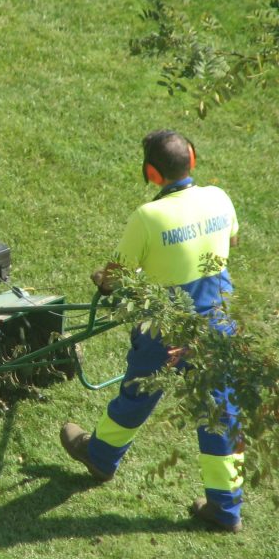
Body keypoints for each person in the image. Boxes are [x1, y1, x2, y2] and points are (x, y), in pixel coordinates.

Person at [60, 129, 244, 533]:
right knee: (219, 412)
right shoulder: (220, 197)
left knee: (139, 391)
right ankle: (226, 509)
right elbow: (230, 240)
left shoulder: (148, 217)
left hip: (167, 326)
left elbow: (116, 278)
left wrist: (103, 279)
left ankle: (102, 456)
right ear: (192, 160)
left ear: (150, 173)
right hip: (218, 323)